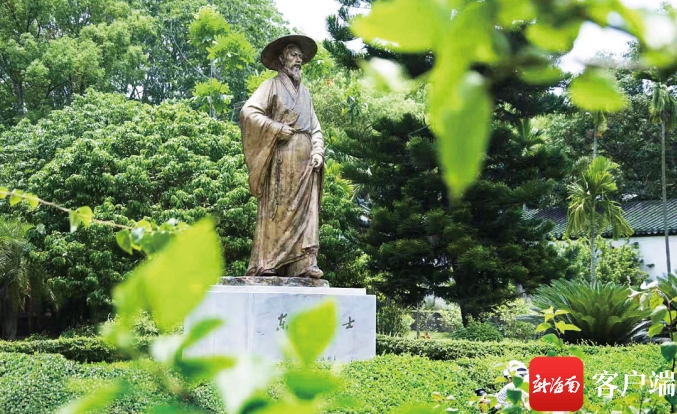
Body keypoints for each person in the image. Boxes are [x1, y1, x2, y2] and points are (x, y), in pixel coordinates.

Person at [239, 35, 325, 278]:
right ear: (281, 59)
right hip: (281, 162)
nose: (298, 60)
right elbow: (248, 112)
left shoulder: (305, 94)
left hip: (306, 165)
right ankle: (269, 263)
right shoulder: (271, 86)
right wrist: (275, 128)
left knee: (306, 214)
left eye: (300, 56)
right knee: (278, 211)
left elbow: (315, 128)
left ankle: (304, 264)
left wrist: (318, 150)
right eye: (293, 55)